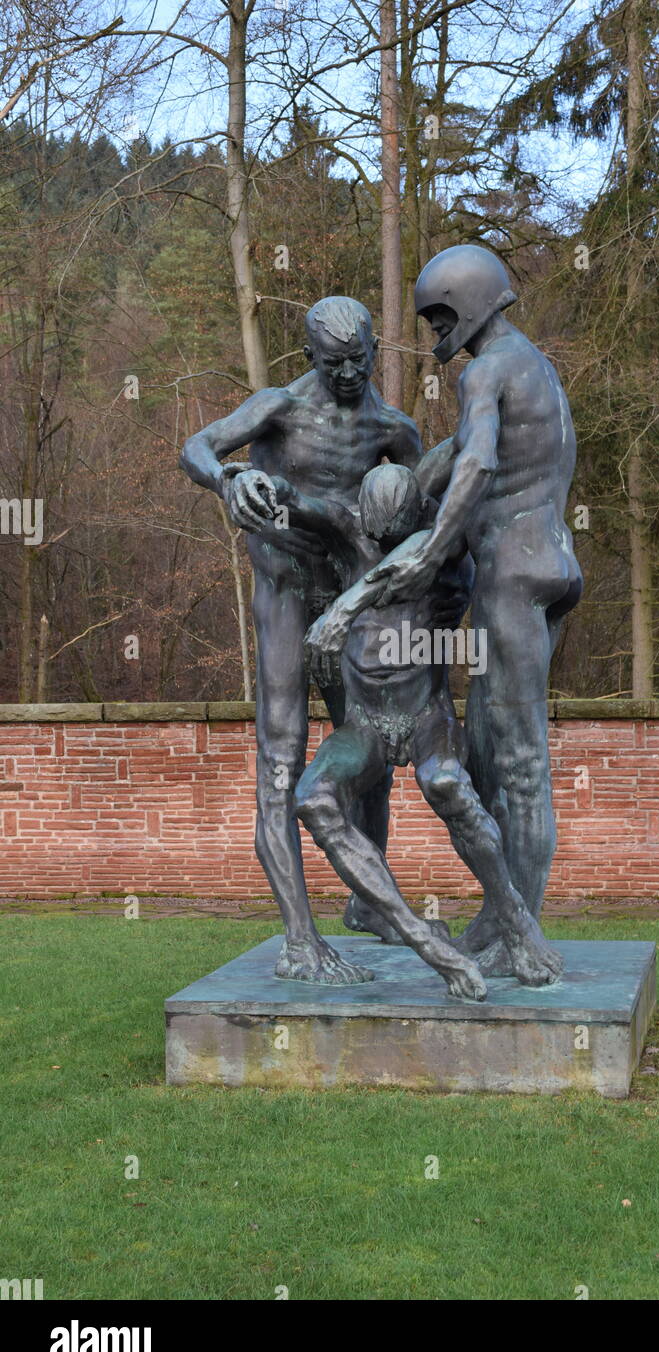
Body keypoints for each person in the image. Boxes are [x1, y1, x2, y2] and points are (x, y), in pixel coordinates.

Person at [179, 297, 422, 983]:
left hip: (351, 602)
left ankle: (369, 904)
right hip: (285, 592)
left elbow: (424, 506)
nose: (350, 374)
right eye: (336, 362)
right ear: (311, 355)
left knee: (371, 749)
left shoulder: (391, 428)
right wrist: (230, 477)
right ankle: (297, 939)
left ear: (376, 348)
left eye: (362, 359)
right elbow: (195, 446)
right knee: (281, 757)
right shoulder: (277, 406)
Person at [371, 245, 583, 970]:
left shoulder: (486, 371)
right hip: (550, 566)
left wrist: (429, 554)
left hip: (513, 576)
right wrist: (385, 491)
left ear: (472, 302)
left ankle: (518, 936)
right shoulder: (534, 369)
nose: (436, 339)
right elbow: (452, 457)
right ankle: (500, 924)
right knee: (491, 754)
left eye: (440, 319)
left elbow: (479, 463)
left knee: (518, 762)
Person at [284, 461, 564, 998]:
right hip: (365, 722)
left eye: (400, 528)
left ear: (418, 516)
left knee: (446, 784)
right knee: (312, 798)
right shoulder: (348, 535)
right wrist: (259, 485)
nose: (385, 540)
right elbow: (302, 504)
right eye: (376, 528)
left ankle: (516, 920)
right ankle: (424, 941)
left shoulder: (439, 547)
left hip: (425, 716)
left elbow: (472, 476)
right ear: (364, 518)